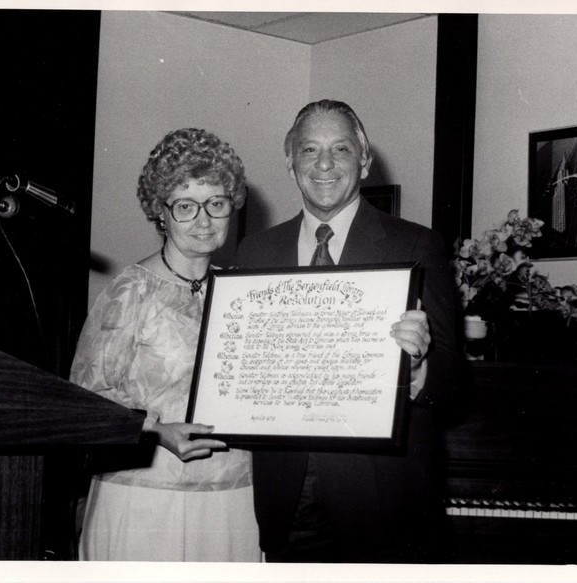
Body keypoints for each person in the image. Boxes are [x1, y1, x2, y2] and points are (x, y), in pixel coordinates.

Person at [236, 99, 461, 563]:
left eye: (340, 149)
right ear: (289, 161)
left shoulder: (417, 244)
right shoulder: (256, 252)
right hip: (287, 491)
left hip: (384, 497)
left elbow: (454, 384)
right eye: (309, 149)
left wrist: (418, 368)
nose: (323, 164)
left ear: (364, 160)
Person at [70, 128, 261, 562]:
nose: (203, 220)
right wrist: (155, 431)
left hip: (232, 498)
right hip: (145, 499)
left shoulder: (243, 293)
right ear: (161, 213)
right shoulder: (131, 290)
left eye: (216, 203)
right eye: (185, 206)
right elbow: (86, 401)